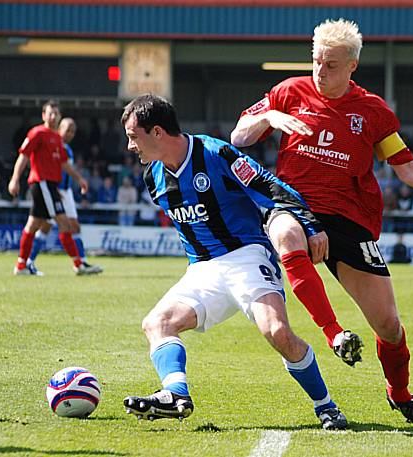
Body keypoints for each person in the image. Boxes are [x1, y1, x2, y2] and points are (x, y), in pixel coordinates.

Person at [231, 18, 413, 424]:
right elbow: (239, 136)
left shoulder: (373, 112)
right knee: (288, 232)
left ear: (352, 66)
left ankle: (400, 393)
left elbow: (405, 167)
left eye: (330, 65)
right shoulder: (288, 92)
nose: (320, 72)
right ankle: (335, 334)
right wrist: (270, 119)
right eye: (315, 62)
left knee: (390, 327)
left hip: (350, 218)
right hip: (292, 204)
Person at [120, 93, 347, 430]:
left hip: (246, 256)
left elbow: (269, 186)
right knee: (157, 323)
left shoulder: (215, 153)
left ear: (157, 132)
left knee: (278, 332)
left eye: (133, 136)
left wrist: (311, 226)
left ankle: (326, 406)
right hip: (202, 269)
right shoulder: (153, 178)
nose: (129, 146)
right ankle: (175, 394)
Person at [8, 101, 101, 276]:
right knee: (63, 223)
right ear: (43, 115)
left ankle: (21, 266)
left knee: (35, 224)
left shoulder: (57, 139)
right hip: (43, 184)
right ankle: (78, 264)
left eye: (56, 114)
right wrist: (14, 179)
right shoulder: (37, 133)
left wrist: (79, 179)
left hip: (50, 186)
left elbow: (64, 163)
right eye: (50, 113)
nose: (53, 117)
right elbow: (24, 156)